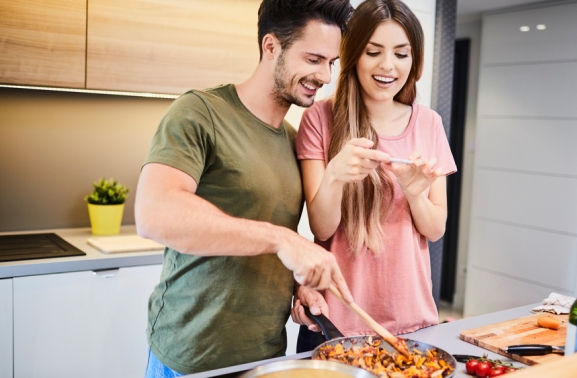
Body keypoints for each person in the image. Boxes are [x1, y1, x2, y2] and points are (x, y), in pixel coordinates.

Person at [134, 0, 355, 376]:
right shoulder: (199, 112)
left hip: (265, 358)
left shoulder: (293, 140)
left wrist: (294, 290)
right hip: (191, 358)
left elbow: (258, 242)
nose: (326, 76)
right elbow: (154, 214)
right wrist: (283, 241)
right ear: (271, 47)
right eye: (314, 59)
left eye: (331, 62)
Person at [290, 0, 457, 352]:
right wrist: (336, 174)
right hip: (335, 323)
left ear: (415, 61)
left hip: (412, 323)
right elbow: (322, 228)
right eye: (373, 51)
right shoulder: (320, 119)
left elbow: (436, 228)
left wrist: (414, 194)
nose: (387, 66)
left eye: (401, 54)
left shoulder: (429, 123)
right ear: (354, 55)